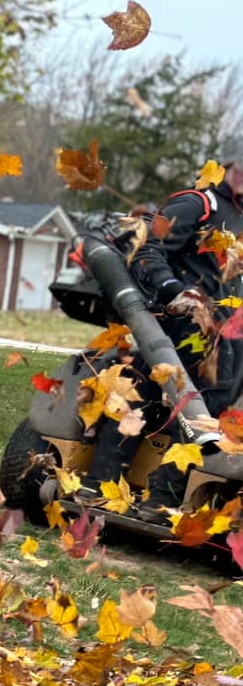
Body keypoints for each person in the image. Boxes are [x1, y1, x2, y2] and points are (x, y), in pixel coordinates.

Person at [85, 162, 243, 512]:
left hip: (228, 338)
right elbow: (148, 250)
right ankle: (114, 490)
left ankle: (149, 498)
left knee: (200, 410)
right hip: (181, 323)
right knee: (146, 397)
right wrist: (173, 290)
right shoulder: (199, 204)